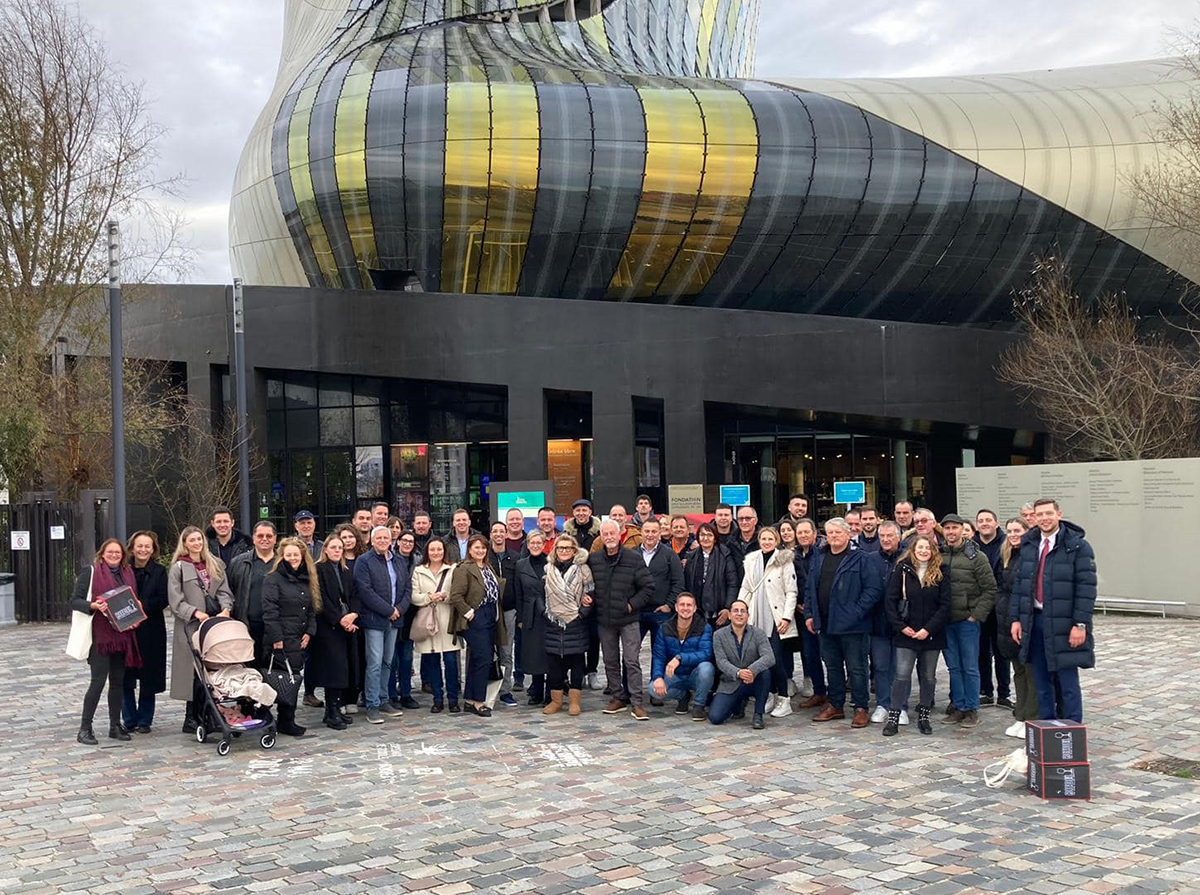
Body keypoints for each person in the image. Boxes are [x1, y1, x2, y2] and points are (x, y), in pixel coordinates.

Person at [1010, 498, 1096, 724]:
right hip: (1034, 622)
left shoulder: (1077, 546)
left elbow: (1086, 589)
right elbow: (1020, 585)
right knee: (1041, 680)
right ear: (1034, 518)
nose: (1044, 519)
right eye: (1040, 515)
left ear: (1059, 514)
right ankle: (1047, 730)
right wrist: (1016, 619)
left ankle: (1072, 729)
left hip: (1064, 623)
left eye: (1049, 513)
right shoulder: (1029, 544)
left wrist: (1080, 624)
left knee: (1067, 681)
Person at [804, 517, 881, 728]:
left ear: (848, 534)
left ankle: (860, 707)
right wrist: (810, 614)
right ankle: (836, 704)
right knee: (833, 666)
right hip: (826, 623)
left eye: (838, 532)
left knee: (857, 668)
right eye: (830, 533)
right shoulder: (819, 558)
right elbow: (810, 589)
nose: (834, 537)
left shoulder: (861, 559)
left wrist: (856, 612)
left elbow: (873, 590)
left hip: (854, 625)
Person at [72, 539, 143, 744]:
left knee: (118, 682)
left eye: (118, 553)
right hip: (100, 637)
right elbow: (75, 601)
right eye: (110, 552)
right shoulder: (91, 572)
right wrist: (93, 605)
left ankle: (115, 725)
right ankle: (85, 728)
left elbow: (131, 599)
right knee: (98, 681)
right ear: (102, 554)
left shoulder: (127, 573)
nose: (114, 555)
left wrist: (137, 605)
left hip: (122, 636)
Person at [882, 535, 950, 736]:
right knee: (902, 675)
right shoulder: (901, 569)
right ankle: (893, 716)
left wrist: (928, 629)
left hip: (931, 634)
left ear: (933, 550)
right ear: (913, 549)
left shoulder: (941, 571)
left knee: (928, 677)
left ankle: (924, 715)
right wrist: (901, 627)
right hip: (906, 633)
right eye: (920, 547)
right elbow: (890, 602)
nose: (923, 551)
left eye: (927, 548)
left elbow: (945, 605)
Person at [167, 526, 234, 733]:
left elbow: (224, 590)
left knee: (211, 670)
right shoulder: (179, 567)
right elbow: (175, 600)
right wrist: (194, 612)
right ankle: (191, 717)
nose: (197, 543)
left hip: (214, 625)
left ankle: (211, 713)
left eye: (199, 539)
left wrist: (226, 608)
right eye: (192, 540)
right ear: (185, 543)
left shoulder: (215, 564)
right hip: (191, 626)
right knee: (193, 672)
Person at [589, 519, 653, 720]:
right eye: (605, 534)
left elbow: (648, 587)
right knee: (609, 660)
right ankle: (617, 696)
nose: (609, 537)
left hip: (629, 619)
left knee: (631, 660)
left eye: (612, 534)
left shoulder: (633, 558)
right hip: (605, 619)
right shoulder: (595, 560)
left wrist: (631, 604)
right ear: (601, 537)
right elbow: (589, 584)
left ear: (619, 535)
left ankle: (636, 701)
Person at [938, 514, 996, 728]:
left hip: (967, 621)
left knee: (970, 666)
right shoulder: (939, 555)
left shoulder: (976, 557)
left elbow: (990, 589)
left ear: (963, 529)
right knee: (953, 667)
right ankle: (959, 706)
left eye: (954, 528)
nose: (951, 532)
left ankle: (971, 709)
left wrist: (976, 615)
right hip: (945, 621)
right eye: (947, 528)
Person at [262, 537, 319, 737]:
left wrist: (310, 632)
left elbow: (312, 608)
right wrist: (277, 638)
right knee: (278, 680)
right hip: (281, 639)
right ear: (282, 556)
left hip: (299, 636)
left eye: (296, 554)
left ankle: (287, 720)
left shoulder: (307, 578)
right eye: (289, 555)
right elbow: (269, 610)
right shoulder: (273, 579)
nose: (293, 558)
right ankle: (270, 719)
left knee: (292, 679)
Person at [737, 527, 797, 718]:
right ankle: (769, 693)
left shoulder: (784, 560)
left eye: (770, 538)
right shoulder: (752, 559)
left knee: (775, 659)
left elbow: (791, 592)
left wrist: (787, 617)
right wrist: (740, 609)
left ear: (776, 540)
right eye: (763, 538)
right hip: (755, 615)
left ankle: (784, 698)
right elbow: (746, 587)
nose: (766, 542)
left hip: (776, 617)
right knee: (760, 660)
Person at [353, 525, 410, 724]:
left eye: (386, 538)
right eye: (379, 538)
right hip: (374, 620)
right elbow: (365, 591)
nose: (383, 541)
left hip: (395, 620)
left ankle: (384, 699)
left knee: (388, 662)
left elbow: (407, 589)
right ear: (372, 540)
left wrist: (399, 609)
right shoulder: (364, 561)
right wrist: (389, 610)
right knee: (375, 663)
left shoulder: (399, 560)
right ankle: (372, 704)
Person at [448, 534, 507, 717]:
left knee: (477, 659)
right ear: (470, 550)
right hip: (476, 617)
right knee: (484, 658)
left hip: (491, 615)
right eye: (476, 548)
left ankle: (469, 699)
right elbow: (456, 595)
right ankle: (479, 701)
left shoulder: (488, 567)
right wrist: (468, 612)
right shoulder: (464, 569)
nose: (480, 551)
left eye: (483, 548)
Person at [540, 534, 595, 716]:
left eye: (568, 548)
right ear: (555, 550)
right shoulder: (547, 569)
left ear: (574, 550)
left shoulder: (583, 570)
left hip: (575, 622)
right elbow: (541, 594)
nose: (564, 551)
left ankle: (574, 701)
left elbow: (592, 594)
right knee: (554, 666)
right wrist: (545, 613)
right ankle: (556, 701)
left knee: (577, 664)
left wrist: (581, 614)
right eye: (560, 548)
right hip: (553, 622)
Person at [410, 537, 462, 714]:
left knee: (451, 662)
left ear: (444, 551)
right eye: (432, 550)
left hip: (447, 621)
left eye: (439, 549)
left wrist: (444, 596)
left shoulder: (452, 569)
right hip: (428, 622)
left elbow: (457, 592)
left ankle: (453, 699)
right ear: (427, 552)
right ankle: (437, 699)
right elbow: (413, 596)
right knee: (432, 663)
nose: (436, 553)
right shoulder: (418, 571)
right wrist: (428, 597)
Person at [123, 531, 168, 734]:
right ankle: (129, 718)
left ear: (153, 549)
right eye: (139, 546)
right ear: (132, 548)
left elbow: (164, 599)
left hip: (151, 629)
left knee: (149, 677)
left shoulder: (159, 571)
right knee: (125, 676)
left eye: (147, 546)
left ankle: (144, 720)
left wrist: (143, 605)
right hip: (126, 630)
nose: (143, 550)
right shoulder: (123, 570)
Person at [996, 517, 1037, 738]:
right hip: (1008, 620)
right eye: (1010, 530)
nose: (1013, 534)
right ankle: (1020, 715)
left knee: (1030, 671)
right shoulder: (1006, 555)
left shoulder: (1031, 555)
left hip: (1025, 620)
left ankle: (1031, 717)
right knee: (1019, 672)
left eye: (1017, 530)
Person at [313, 533, 359, 729]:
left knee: (345, 668)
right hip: (328, 626)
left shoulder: (346, 570)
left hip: (347, 625)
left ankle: (336, 708)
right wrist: (340, 619)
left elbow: (355, 595)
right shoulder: (319, 569)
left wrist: (353, 615)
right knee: (333, 669)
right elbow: (320, 598)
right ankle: (331, 711)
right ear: (325, 550)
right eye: (333, 547)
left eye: (339, 548)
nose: (337, 551)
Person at [638, 517, 684, 704]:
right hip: (638, 612)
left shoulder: (669, 554)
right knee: (631, 653)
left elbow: (678, 582)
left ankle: (657, 689)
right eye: (647, 531)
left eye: (653, 531)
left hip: (661, 613)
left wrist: (669, 604)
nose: (650, 535)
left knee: (661, 652)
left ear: (660, 533)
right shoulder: (632, 554)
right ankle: (629, 691)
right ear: (642, 532)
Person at [709, 600, 775, 729]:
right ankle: (738, 704)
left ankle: (758, 714)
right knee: (715, 717)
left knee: (765, 673)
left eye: (742, 611)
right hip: (731, 682)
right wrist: (738, 673)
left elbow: (769, 657)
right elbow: (721, 661)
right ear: (729, 615)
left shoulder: (758, 633)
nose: (739, 614)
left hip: (753, 680)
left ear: (747, 615)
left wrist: (751, 671)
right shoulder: (718, 635)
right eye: (735, 611)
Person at [650, 592, 715, 721]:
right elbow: (658, 656)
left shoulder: (704, 627)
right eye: (682, 605)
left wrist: (680, 658)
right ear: (676, 607)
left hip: (695, 675)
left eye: (689, 605)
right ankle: (682, 696)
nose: (686, 608)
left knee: (706, 668)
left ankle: (699, 705)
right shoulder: (665, 628)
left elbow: (706, 653)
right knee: (653, 689)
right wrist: (657, 677)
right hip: (675, 675)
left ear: (695, 608)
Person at [228, 521, 278, 667]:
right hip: (248, 626)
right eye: (260, 535)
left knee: (275, 673)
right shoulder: (238, 563)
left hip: (276, 628)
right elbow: (229, 592)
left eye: (269, 536)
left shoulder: (284, 562)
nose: (264, 539)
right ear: (254, 538)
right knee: (250, 673)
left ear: (275, 539)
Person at [973, 508, 1009, 708]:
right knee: (981, 652)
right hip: (979, 607)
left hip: (1000, 607)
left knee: (1002, 652)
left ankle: (1004, 692)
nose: (984, 523)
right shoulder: (971, 546)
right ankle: (985, 691)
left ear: (996, 523)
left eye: (988, 520)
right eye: (981, 520)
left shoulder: (1006, 543)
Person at [869, 521, 904, 724]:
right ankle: (883, 703)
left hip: (903, 622)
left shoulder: (907, 557)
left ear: (898, 537)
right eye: (882, 536)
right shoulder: (871, 559)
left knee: (901, 668)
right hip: (878, 622)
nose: (886, 539)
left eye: (890, 536)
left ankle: (900, 705)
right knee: (881, 666)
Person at [512, 529, 551, 708]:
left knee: (549, 653)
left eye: (538, 543)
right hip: (529, 613)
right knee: (534, 653)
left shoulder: (551, 562)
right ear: (527, 545)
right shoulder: (520, 565)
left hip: (548, 613)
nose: (535, 546)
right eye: (532, 543)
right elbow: (518, 593)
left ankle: (551, 691)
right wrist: (520, 617)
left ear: (544, 545)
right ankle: (536, 690)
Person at [794, 518, 827, 709]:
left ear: (815, 533)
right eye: (800, 533)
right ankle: (819, 691)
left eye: (807, 532)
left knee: (828, 655)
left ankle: (834, 692)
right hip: (802, 613)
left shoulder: (822, 554)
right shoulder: (794, 555)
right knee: (809, 653)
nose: (804, 536)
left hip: (821, 612)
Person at [488, 522, 522, 706]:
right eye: (495, 531)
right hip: (488, 611)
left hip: (509, 611)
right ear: (490, 534)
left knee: (506, 652)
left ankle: (505, 690)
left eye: (502, 531)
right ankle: (486, 688)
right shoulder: (484, 556)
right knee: (487, 651)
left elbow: (518, 586)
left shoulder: (515, 558)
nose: (499, 534)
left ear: (507, 534)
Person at [390, 529, 424, 711]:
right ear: (398, 542)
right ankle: (391, 694)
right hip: (393, 612)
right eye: (404, 540)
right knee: (392, 657)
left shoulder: (417, 560)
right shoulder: (391, 559)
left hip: (411, 612)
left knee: (407, 656)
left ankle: (406, 692)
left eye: (411, 541)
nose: (407, 544)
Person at [683, 523, 738, 631]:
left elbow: (732, 584)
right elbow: (687, 584)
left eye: (709, 535)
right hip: (697, 611)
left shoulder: (725, 554)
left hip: (720, 609)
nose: (705, 538)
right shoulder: (691, 556)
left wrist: (728, 608)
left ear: (715, 538)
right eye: (702, 535)